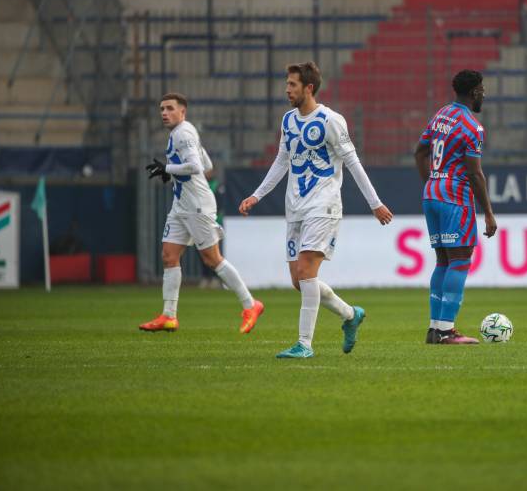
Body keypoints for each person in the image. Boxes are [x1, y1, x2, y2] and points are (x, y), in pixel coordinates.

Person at [239, 62, 393, 359]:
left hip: (324, 205)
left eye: (293, 85)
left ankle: (304, 344)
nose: (287, 89)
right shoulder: (287, 120)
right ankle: (350, 315)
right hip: (294, 207)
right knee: (300, 281)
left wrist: (375, 203)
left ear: (309, 88)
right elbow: (281, 162)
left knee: (308, 269)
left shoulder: (331, 120)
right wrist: (257, 195)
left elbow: (353, 163)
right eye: (287, 84)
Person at [140, 93, 264, 333]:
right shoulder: (184, 132)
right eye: (162, 109)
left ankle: (251, 304)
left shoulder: (183, 133)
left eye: (170, 108)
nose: (164, 113)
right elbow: (207, 166)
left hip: (197, 205)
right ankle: (168, 316)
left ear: (182, 112)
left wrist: (168, 168)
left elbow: (196, 167)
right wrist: (173, 172)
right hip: (181, 204)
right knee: (169, 255)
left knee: (212, 259)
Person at [414, 69, 497, 345]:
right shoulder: (473, 127)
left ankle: (435, 328)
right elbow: (475, 174)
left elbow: (420, 151)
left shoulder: (441, 115)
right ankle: (446, 330)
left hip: (432, 195)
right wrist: (488, 213)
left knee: (443, 261)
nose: (484, 93)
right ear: (474, 92)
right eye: (482, 89)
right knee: (460, 261)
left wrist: (432, 183)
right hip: (454, 199)